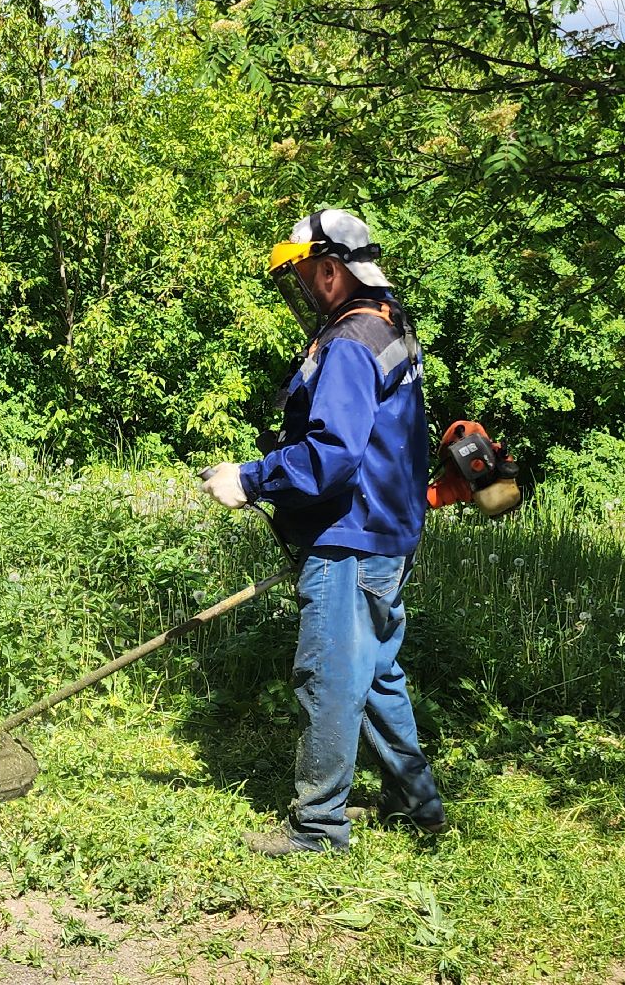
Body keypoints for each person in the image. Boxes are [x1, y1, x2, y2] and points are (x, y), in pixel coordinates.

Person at [198, 208, 443, 856]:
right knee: (377, 673)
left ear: (332, 271)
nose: (302, 288)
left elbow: (332, 455)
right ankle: (415, 802)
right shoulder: (389, 327)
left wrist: (250, 479)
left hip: (352, 536)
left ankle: (318, 827)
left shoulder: (348, 343)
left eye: (305, 274)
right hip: (388, 530)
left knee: (330, 675)